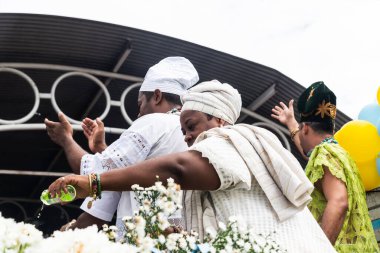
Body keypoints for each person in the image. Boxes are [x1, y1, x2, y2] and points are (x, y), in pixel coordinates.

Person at [49, 80, 336, 252]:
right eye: (183, 129)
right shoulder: (225, 157)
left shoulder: (234, 137)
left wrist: (94, 182)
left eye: (191, 125)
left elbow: (178, 169)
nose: (186, 136)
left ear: (220, 120)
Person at [44, 56, 199, 232]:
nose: (139, 114)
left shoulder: (154, 122)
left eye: (140, 104)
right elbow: (130, 172)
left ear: (157, 96)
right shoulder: (192, 132)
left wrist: (66, 139)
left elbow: (98, 175)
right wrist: (103, 149)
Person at [271, 81, 379, 252]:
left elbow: (339, 201)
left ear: (305, 128)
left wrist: (319, 249)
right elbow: (309, 152)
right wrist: (292, 124)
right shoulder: (338, 152)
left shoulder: (325, 154)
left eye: (300, 129)